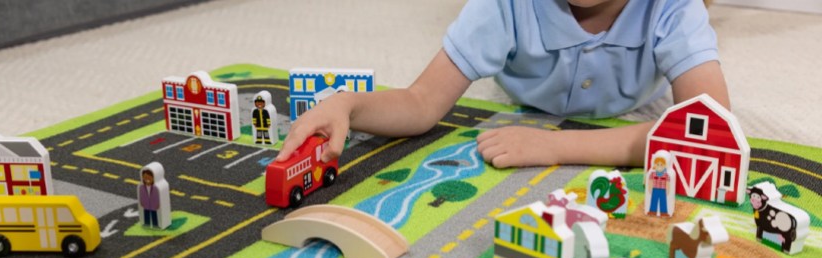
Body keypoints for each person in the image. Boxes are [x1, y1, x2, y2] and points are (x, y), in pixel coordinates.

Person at [276, 0, 729, 169]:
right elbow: (420, 102)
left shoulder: (677, 8)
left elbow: (709, 131)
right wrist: (349, 104)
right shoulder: (502, 5)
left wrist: (556, 148)